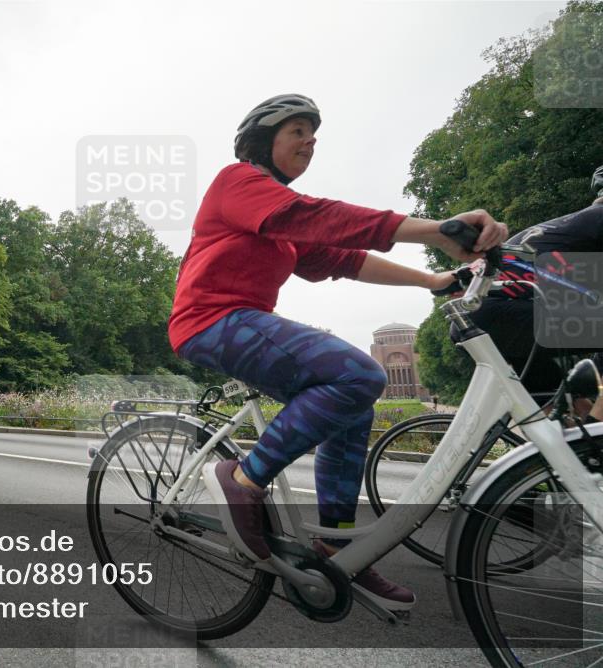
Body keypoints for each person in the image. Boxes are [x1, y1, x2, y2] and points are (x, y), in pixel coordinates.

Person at [168, 94, 508, 610]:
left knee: (353, 405)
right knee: (358, 375)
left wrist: (434, 280)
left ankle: (334, 543)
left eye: (313, 134)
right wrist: (436, 230)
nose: (310, 141)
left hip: (246, 323)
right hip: (210, 321)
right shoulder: (236, 183)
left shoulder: (278, 221)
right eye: (297, 130)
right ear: (264, 140)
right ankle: (241, 477)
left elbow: (347, 260)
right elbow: (318, 217)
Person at [467, 164, 603, 422]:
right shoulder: (597, 220)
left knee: (564, 419)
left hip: (481, 316)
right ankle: (595, 433)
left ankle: (569, 452)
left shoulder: (575, 223)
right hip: (502, 312)